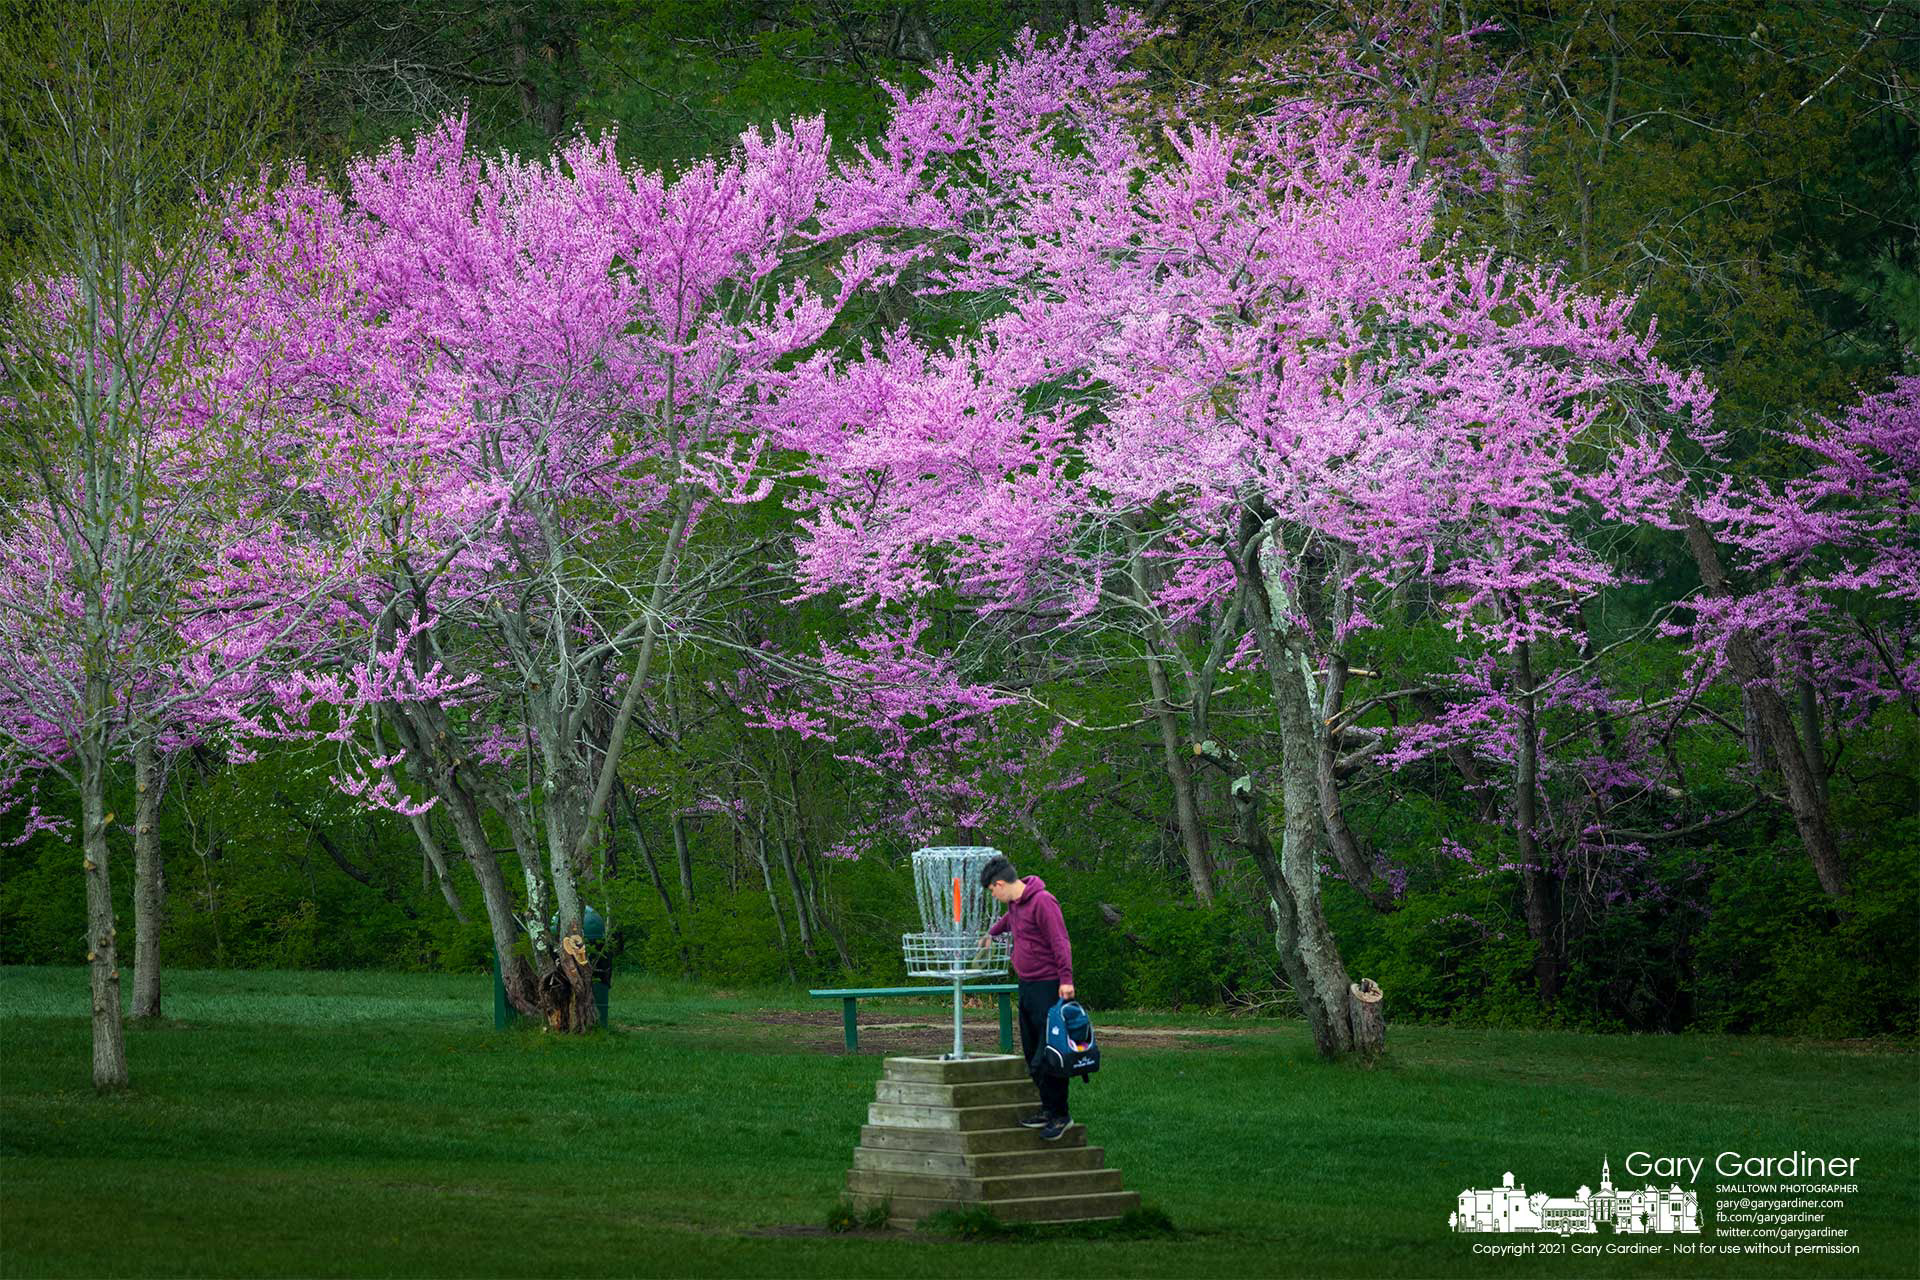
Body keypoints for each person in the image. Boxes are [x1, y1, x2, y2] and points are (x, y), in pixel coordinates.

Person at [977, 854, 1076, 1141]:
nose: (994, 897)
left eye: (992, 891)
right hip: (1028, 986)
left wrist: (1066, 980)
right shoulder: (1016, 904)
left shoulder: (1043, 901)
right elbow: (1010, 920)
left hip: (1050, 985)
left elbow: (1060, 940)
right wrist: (992, 934)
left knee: (1048, 1054)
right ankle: (1047, 1109)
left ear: (999, 884)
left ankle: (1061, 1115)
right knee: (1031, 1050)